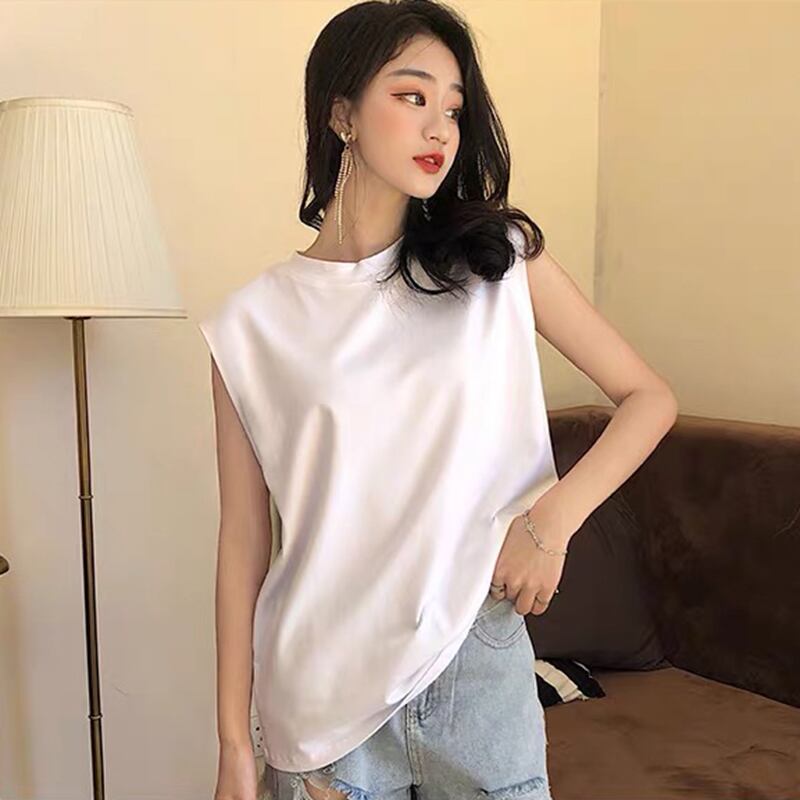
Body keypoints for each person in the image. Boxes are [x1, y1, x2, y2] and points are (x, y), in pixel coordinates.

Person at [200, 2, 678, 799]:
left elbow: (648, 398)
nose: (440, 128)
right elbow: (243, 544)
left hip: (475, 663)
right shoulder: (249, 326)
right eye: (412, 96)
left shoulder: (497, 264)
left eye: (454, 108)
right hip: (322, 704)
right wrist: (232, 748)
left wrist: (550, 523)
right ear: (341, 113)